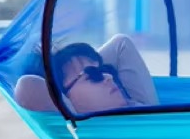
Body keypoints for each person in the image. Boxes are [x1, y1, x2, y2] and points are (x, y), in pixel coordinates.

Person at [14, 34, 158, 113]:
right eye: (93, 74)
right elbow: (26, 87)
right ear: (65, 97)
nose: (109, 77)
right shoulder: (79, 125)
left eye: (103, 71)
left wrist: (91, 67)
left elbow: (121, 44)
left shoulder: (140, 106)